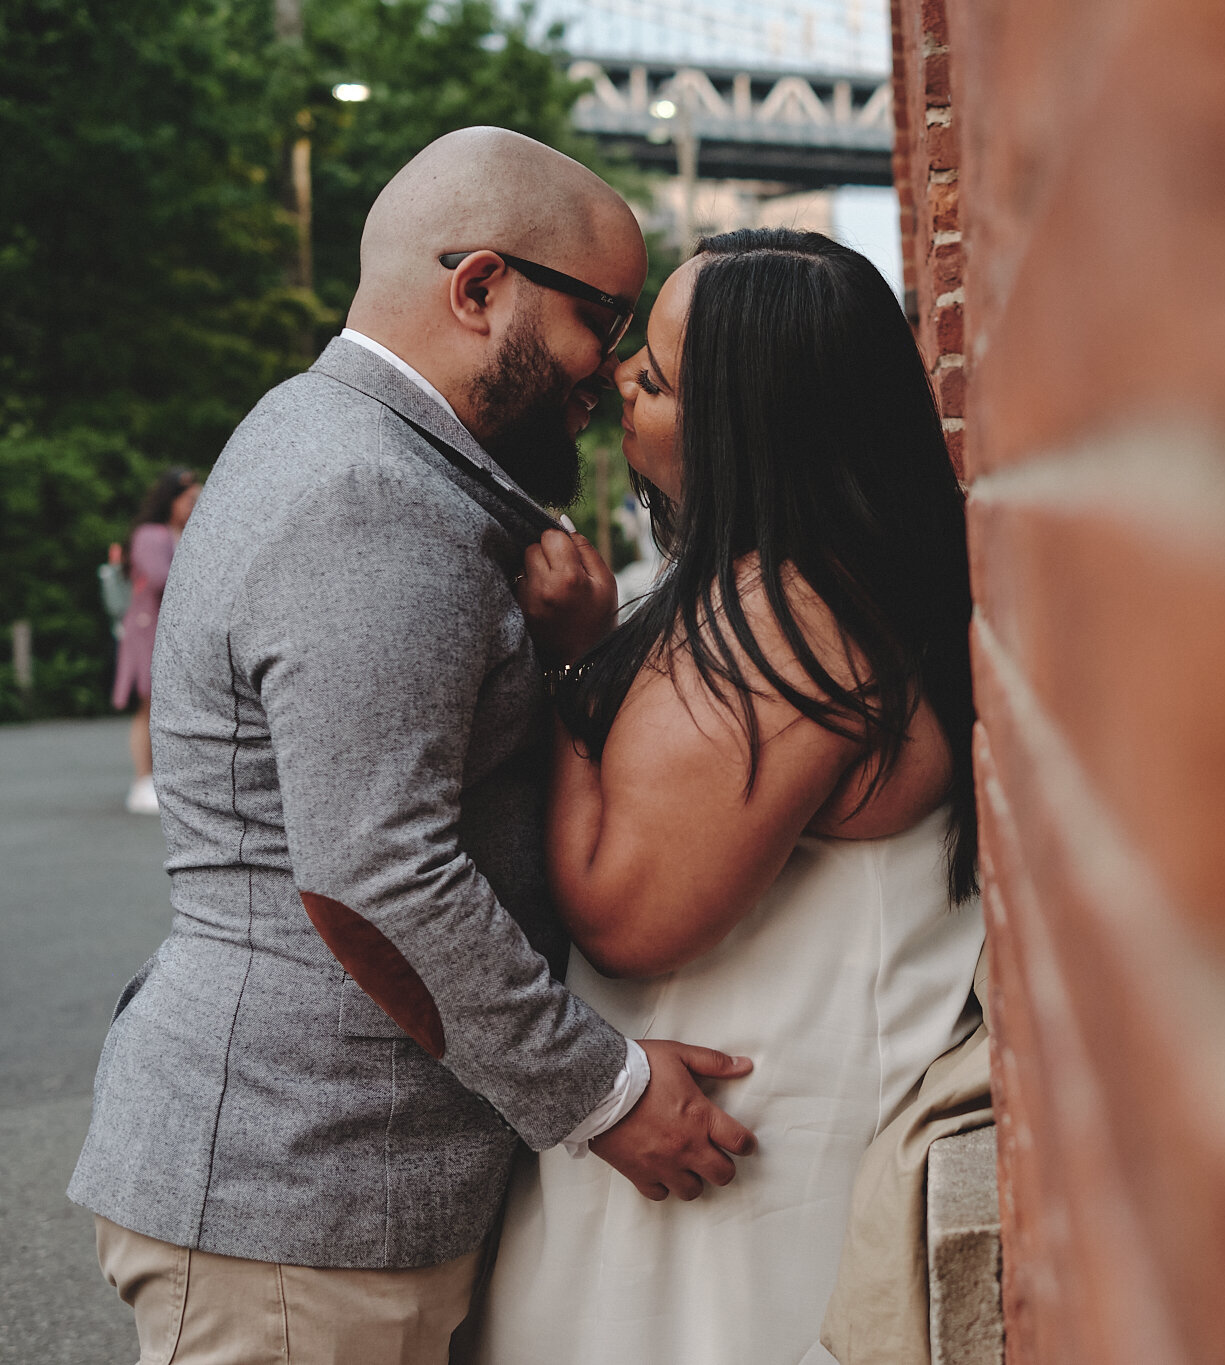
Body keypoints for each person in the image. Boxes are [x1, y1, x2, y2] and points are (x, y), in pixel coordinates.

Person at [69, 127, 756, 1365]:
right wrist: (602, 1096)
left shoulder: (353, 444)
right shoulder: (368, 499)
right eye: (600, 319)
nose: (604, 372)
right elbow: (375, 873)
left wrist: (559, 659)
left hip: (330, 1196)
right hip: (299, 1207)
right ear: (480, 285)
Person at [470, 229, 984, 1365]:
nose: (616, 390)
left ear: (743, 426)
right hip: (735, 1152)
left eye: (650, 381)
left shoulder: (783, 621)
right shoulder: (845, 577)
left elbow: (624, 909)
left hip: (714, 1176)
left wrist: (562, 670)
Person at [111, 467, 201, 814]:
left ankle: (166, 778)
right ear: (171, 499)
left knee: (172, 704)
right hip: (149, 628)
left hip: (170, 629)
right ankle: (143, 780)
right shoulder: (151, 534)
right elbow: (163, 578)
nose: (194, 505)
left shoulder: (179, 532)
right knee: (148, 703)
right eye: (188, 499)